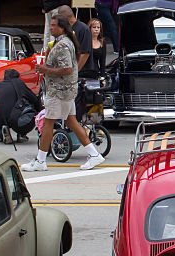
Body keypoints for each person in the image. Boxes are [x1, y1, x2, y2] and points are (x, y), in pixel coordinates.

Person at [23, 15, 104, 172]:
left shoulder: (63, 45)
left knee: (48, 123)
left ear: (62, 27)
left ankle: (40, 160)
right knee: (71, 121)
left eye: (53, 25)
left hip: (59, 91)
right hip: (65, 91)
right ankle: (94, 155)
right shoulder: (66, 42)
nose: (51, 27)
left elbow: (67, 69)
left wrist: (45, 69)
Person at [0, 69, 42, 143]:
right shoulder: (18, 83)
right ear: (17, 77)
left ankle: (0, 133)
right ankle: (21, 133)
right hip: (15, 118)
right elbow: (33, 98)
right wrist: (39, 112)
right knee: (30, 109)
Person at [57, 6, 91, 71]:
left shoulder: (83, 29)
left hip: (83, 71)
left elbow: (85, 53)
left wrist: (75, 71)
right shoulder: (67, 29)